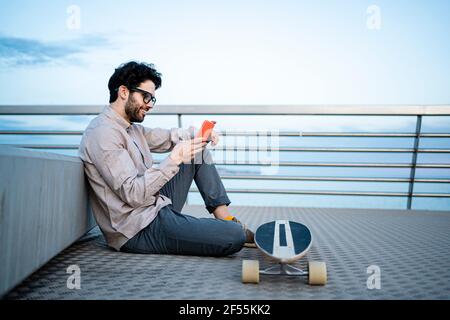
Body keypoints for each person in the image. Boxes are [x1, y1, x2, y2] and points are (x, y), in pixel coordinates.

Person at [79, 61, 254, 256]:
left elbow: (167, 137)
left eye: (152, 99)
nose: (149, 105)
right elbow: (133, 194)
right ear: (123, 92)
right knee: (233, 236)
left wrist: (197, 134)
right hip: (137, 229)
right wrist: (174, 159)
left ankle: (224, 218)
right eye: (146, 97)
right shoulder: (103, 133)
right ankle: (229, 229)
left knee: (196, 148)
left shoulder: (131, 128)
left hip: (154, 206)